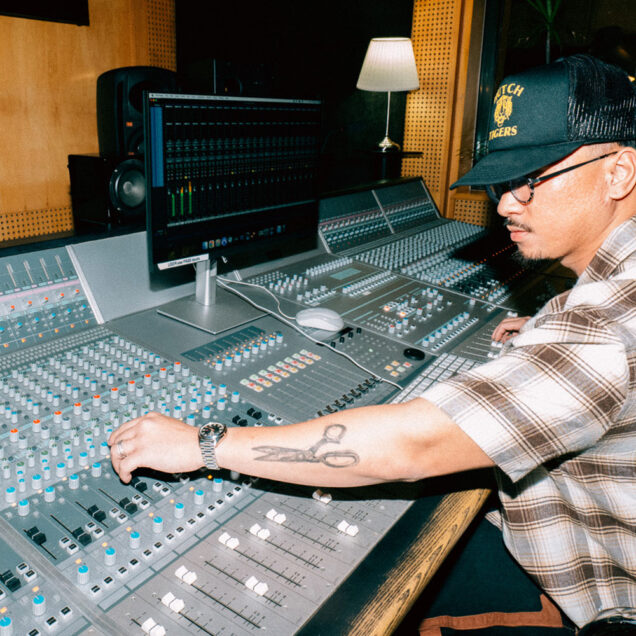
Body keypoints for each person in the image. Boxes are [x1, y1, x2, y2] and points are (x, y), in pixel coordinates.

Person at [109, 54, 636, 633]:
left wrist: (204, 445)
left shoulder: (600, 330)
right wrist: (546, 328)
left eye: (531, 180)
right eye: (500, 182)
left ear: (619, 172)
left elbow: (413, 447)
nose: (506, 203)